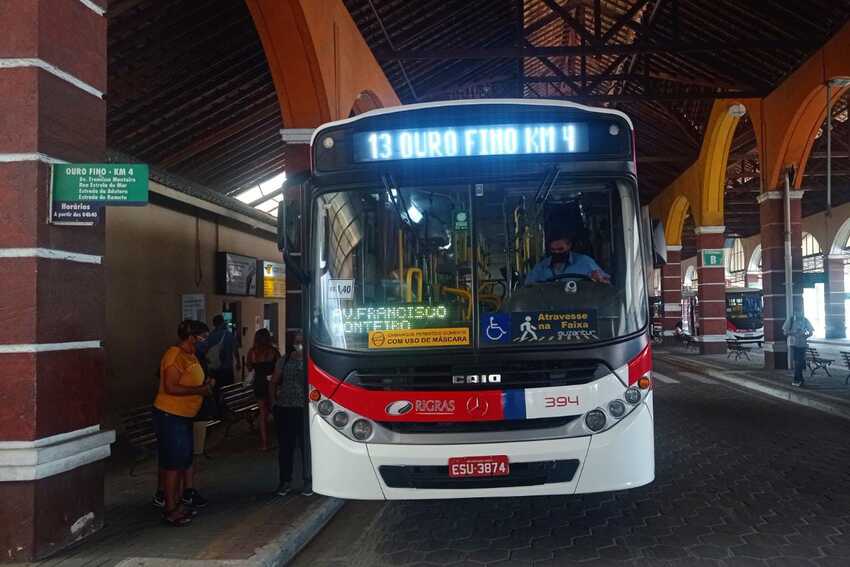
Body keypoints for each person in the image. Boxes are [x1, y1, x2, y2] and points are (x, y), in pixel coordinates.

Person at [152, 320, 215, 526]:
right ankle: (170, 510)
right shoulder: (174, 355)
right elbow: (170, 387)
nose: (206, 341)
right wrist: (200, 391)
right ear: (191, 337)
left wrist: (205, 385)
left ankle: (178, 503)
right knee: (173, 465)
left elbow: (190, 381)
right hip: (171, 415)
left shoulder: (191, 355)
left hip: (184, 416)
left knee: (181, 463)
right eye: (203, 337)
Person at [269, 332, 312, 496]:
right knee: (285, 447)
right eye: (297, 342)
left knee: (306, 447)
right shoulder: (284, 359)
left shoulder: (311, 360)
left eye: (302, 342)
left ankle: (308, 480)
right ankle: (285, 481)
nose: (299, 344)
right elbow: (273, 381)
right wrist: (273, 402)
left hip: (305, 410)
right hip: (285, 408)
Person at [525, 235, 610, 284]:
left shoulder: (585, 262)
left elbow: (606, 283)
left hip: (581, 310)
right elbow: (527, 289)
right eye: (553, 250)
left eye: (560, 249)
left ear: (569, 246)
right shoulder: (540, 268)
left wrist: (598, 278)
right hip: (547, 312)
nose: (557, 253)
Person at [247, 328, 280, 450]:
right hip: (271, 383)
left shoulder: (252, 352)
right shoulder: (273, 352)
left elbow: (250, 368)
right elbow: (279, 368)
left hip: (259, 383)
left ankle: (264, 443)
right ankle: (281, 438)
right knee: (275, 409)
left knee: (262, 413)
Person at [198, 314, 239, 394]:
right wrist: (238, 362)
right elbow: (235, 350)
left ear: (214, 324)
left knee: (216, 390)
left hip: (214, 369)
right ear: (222, 323)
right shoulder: (229, 334)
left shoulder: (210, 336)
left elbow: (206, 352)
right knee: (228, 391)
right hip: (227, 368)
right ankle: (225, 405)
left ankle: (217, 405)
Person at [783, 310, 814, 387]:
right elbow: (785, 332)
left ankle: (798, 378)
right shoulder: (791, 320)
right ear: (795, 313)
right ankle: (798, 378)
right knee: (798, 361)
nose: (799, 314)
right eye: (798, 312)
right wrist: (794, 333)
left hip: (802, 343)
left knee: (799, 362)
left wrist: (806, 335)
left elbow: (811, 331)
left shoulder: (805, 320)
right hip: (793, 343)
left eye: (801, 313)